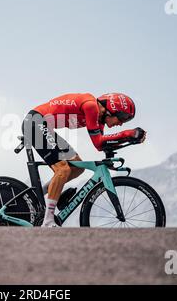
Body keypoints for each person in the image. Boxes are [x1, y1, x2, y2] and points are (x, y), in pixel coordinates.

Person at [22, 92, 146, 227]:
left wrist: (128, 140)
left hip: (44, 126)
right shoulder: (91, 106)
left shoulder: (99, 119)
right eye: (123, 118)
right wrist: (127, 134)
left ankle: (37, 195)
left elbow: (101, 145)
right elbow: (99, 142)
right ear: (111, 110)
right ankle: (48, 221)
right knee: (62, 169)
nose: (121, 123)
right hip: (35, 122)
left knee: (77, 167)